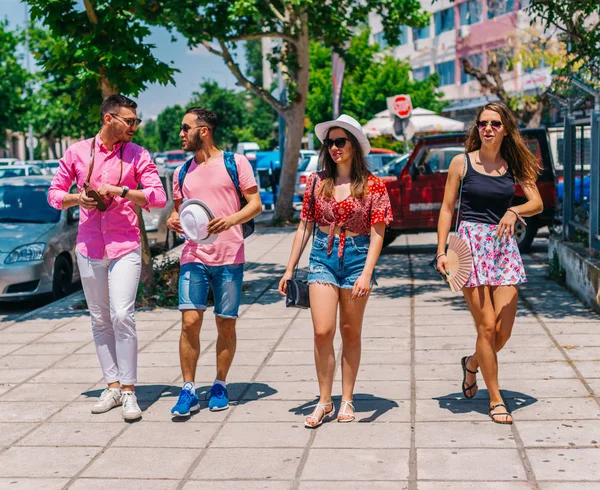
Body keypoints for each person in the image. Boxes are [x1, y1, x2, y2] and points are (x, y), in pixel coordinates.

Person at [48, 94, 167, 421]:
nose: (134, 126)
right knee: (99, 319)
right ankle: (112, 386)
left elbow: (157, 197)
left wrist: (121, 191)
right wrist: (78, 198)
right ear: (108, 119)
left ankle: (129, 390)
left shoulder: (137, 154)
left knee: (121, 315)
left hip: (125, 244)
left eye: (136, 121)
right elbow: (54, 194)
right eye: (129, 121)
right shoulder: (77, 152)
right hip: (88, 246)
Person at [278, 114, 392, 428]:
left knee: (350, 332)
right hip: (322, 257)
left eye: (340, 142)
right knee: (322, 331)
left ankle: (348, 399)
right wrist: (289, 270)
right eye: (329, 142)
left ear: (354, 146)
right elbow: (305, 225)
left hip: (357, 258)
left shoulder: (372, 184)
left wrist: (367, 273)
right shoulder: (317, 181)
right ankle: (324, 400)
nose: (334, 148)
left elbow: (378, 232)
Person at [436, 102, 543, 424]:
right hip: (469, 248)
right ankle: (495, 399)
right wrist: (441, 251)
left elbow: (535, 202)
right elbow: (446, 209)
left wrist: (514, 211)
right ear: (477, 128)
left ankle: (471, 364)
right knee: (485, 326)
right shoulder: (461, 163)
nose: (488, 128)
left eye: (495, 123)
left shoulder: (514, 164)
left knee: (502, 331)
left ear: (505, 129)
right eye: (483, 123)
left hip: (503, 248)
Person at [166, 107, 262, 417]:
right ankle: (188, 390)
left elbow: (256, 205)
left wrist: (230, 220)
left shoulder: (236, 163)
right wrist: (172, 220)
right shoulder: (181, 173)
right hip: (193, 256)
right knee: (189, 322)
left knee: (225, 322)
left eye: (186, 128)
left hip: (229, 257)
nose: (181, 133)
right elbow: (179, 212)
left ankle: (220, 384)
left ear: (203, 131)